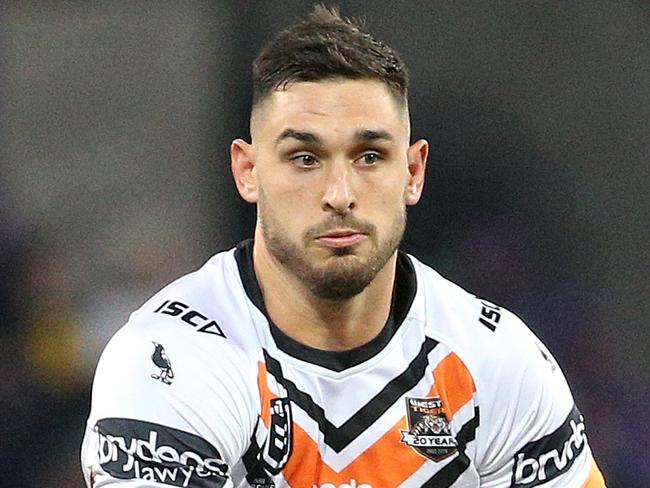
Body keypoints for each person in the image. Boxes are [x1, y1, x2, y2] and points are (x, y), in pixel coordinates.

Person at [81, 5, 606, 487]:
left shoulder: (497, 361)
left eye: (370, 156)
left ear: (414, 171)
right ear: (248, 171)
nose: (339, 195)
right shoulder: (169, 358)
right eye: (304, 158)